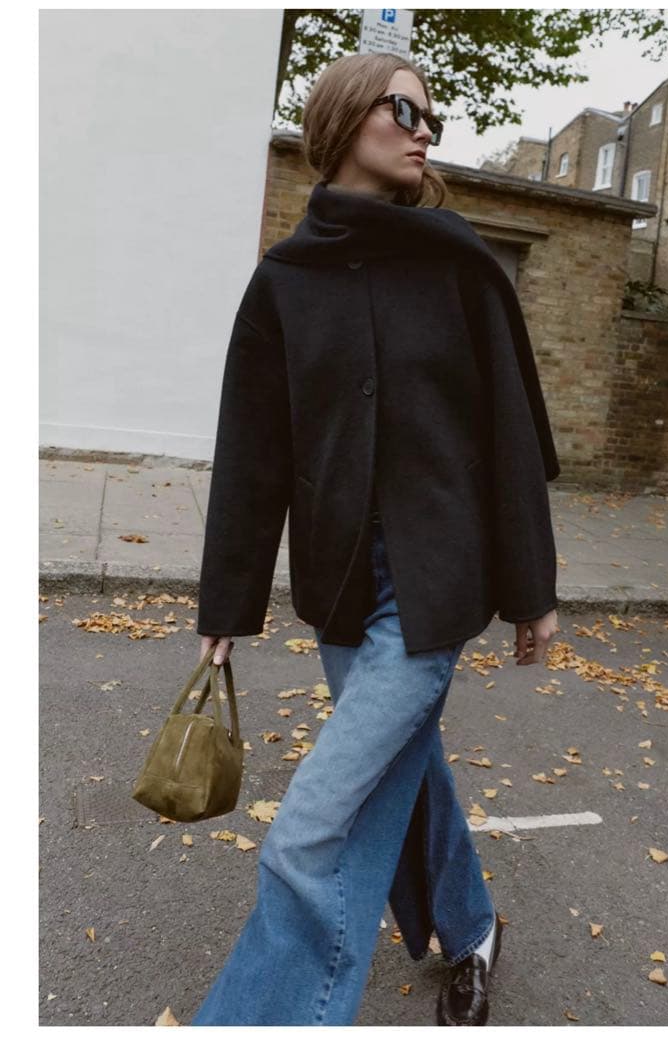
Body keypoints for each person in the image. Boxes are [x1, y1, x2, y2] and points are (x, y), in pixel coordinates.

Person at [191, 52, 560, 1027]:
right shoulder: (283, 281)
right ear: (346, 117)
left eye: (430, 113)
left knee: (309, 833)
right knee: (404, 768)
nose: (423, 127)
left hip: (434, 589)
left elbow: (510, 437)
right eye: (403, 108)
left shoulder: (456, 264)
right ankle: (471, 927)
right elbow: (254, 455)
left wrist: (530, 589)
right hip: (342, 588)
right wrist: (226, 604)